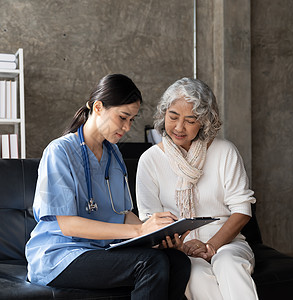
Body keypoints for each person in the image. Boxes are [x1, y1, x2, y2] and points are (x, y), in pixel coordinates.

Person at [26, 74, 191, 300]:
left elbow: (122, 214)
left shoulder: (114, 155)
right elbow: (68, 225)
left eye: (132, 120)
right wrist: (139, 231)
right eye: (122, 117)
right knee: (150, 263)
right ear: (98, 107)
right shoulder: (60, 152)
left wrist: (157, 232)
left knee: (178, 261)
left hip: (101, 251)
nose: (126, 127)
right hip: (60, 255)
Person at [136, 77, 259, 300]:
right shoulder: (150, 160)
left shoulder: (225, 151)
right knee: (195, 273)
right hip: (179, 250)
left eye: (190, 120)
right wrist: (179, 246)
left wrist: (211, 246)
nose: (179, 127)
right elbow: (150, 221)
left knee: (228, 264)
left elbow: (242, 210)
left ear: (204, 121)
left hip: (227, 243)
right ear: (164, 114)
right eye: (173, 117)